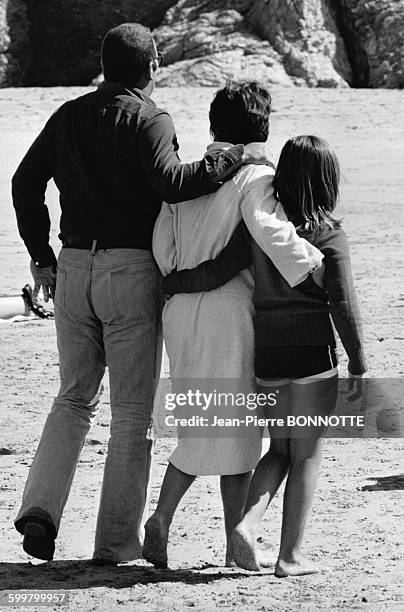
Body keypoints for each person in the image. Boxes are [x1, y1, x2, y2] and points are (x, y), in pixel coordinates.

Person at [11, 23, 270, 564]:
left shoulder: (69, 115)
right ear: (152, 66)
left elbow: (23, 183)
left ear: (105, 65)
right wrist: (229, 159)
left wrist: (42, 255)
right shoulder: (151, 118)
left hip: (74, 266)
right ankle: (114, 543)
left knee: (72, 396)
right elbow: (173, 184)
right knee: (131, 412)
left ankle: (39, 509)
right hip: (129, 271)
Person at [142, 83, 325, 569]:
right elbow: (269, 230)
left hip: (180, 307)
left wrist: (177, 280)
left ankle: (170, 519)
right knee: (241, 430)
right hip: (229, 309)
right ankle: (235, 539)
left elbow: (163, 243)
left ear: (213, 125)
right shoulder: (256, 176)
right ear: (262, 128)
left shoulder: (184, 179)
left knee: (201, 422)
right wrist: (315, 263)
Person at [167, 135, 367, 575]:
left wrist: (175, 283)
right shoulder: (330, 235)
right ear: (327, 181)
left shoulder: (260, 234)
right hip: (313, 354)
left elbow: (217, 270)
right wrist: (358, 359)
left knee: (277, 450)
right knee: (307, 455)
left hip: (269, 354)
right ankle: (290, 555)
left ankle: (248, 523)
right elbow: (343, 303)